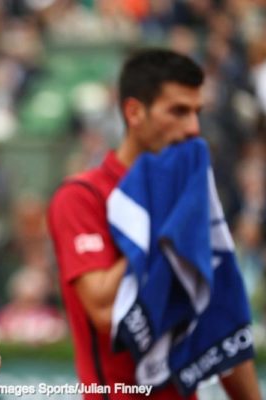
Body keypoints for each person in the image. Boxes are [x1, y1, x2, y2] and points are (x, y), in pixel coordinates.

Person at [47, 48, 261, 399]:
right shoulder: (82, 196)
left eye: (197, 112)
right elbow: (103, 310)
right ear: (134, 112)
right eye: (178, 111)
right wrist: (166, 226)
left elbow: (220, 322)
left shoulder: (190, 194)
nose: (193, 128)